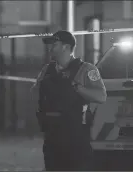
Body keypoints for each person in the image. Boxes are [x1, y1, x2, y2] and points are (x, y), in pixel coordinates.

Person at [32, 30, 107, 171]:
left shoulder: (86, 69)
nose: (50, 48)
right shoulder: (47, 70)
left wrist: (78, 89)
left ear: (65, 47)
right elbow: (35, 94)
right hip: (52, 135)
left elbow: (101, 96)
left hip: (76, 136)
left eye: (54, 44)